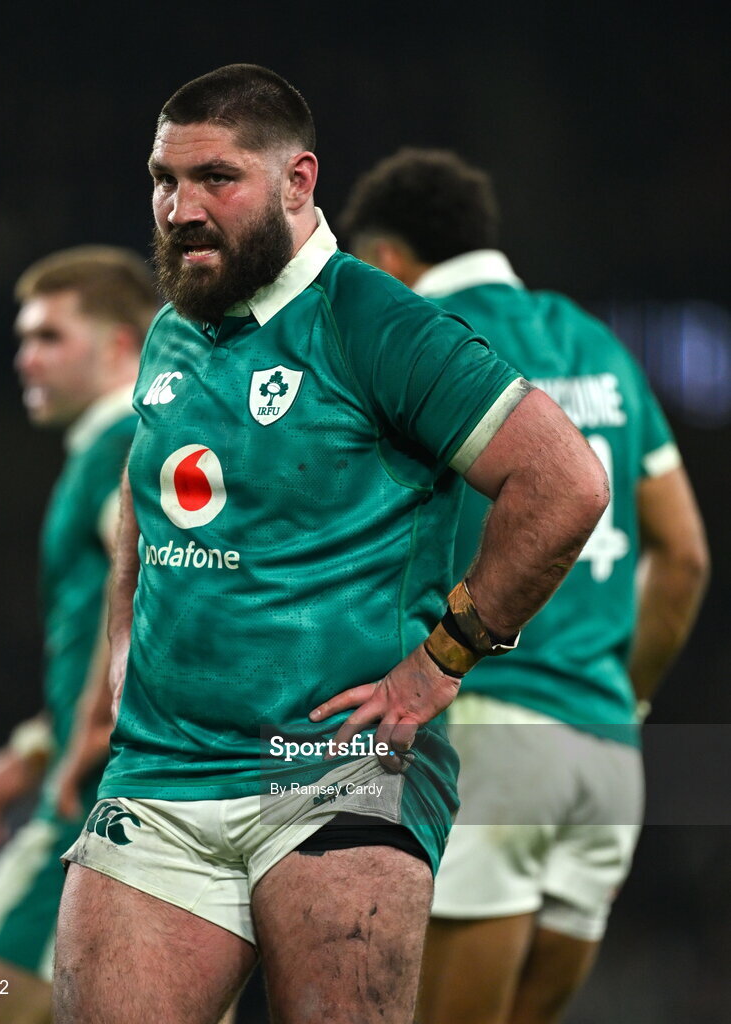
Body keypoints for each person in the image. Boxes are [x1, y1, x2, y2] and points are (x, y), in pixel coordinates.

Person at [53, 65, 610, 1024]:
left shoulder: (375, 323)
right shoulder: (174, 328)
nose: (180, 209)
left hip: (339, 771)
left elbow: (565, 484)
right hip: (162, 773)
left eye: (215, 179)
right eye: (163, 179)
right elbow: (143, 495)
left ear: (298, 183)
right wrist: (120, 656)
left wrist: (441, 665)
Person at [340, 147, 710, 1024]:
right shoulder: (598, 345)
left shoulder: (422, 344)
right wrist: (626, 697)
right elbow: (684, 556)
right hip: (608, 759)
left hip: (489, 733)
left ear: (388, 261)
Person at [0, 246, 157, 1024]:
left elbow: (162, 584)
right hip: (138, 800)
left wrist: (95, 725)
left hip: (93, 811)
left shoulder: (125, 449)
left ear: (121, 345)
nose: (24, 357)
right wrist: (38, 742)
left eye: (50, 337)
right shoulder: (130, 444)